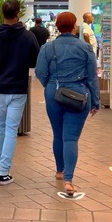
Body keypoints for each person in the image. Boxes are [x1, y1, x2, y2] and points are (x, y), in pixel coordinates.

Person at [35, 12, 99, 196]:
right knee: (70, 138)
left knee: (58, 134)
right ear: (74, 26)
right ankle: (69, 180)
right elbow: (92, 77)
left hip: (54, 94)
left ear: (57, 26)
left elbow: (40, 71)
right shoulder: (85, 48)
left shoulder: (48, 48)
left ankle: (60, 171)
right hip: (78, 95)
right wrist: (95, 101)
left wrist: (50, 84)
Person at [0, 0, 40, 185]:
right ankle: (4, 171)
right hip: (18, 88)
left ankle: (0, 165)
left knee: (0, 127)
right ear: (18, 14)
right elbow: (33, 62)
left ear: (2, 14)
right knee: (11, 129)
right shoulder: (28, 37)